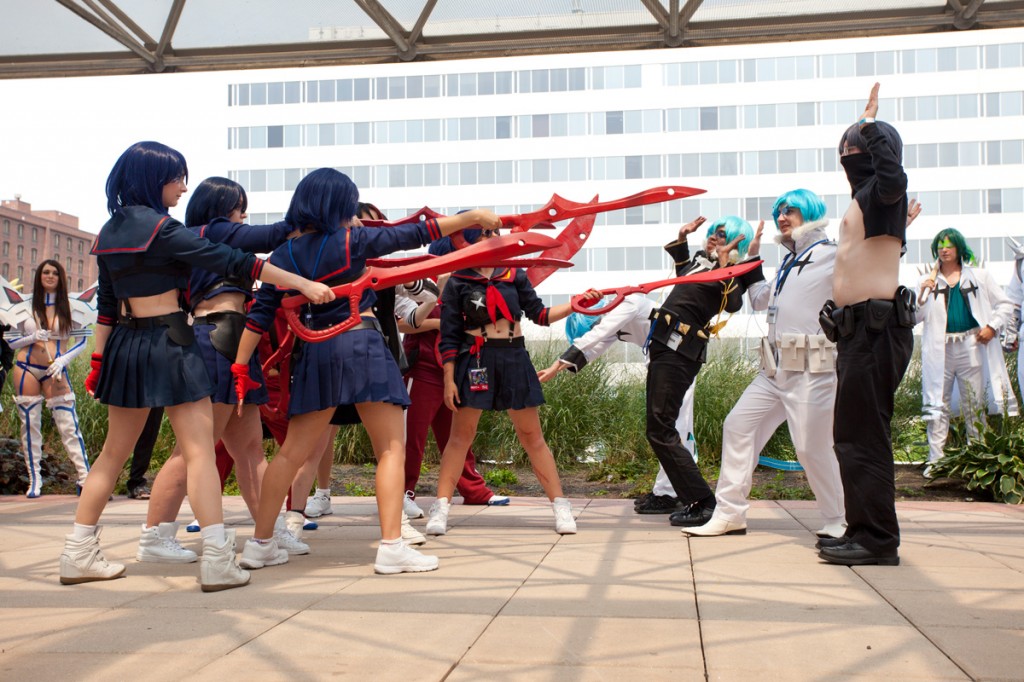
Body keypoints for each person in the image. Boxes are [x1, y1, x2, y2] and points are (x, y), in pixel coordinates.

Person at [60, 141, 332, 591]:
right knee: (200, 452)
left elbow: (107, 309)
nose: (183, 187)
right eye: (176, 178)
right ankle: (218, 560)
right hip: (170, 342)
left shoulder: (108, 233)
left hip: (125, 346)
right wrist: (303, 281)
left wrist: (97, 361)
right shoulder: (163, 229)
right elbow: (240, 263)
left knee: (111, 455)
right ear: (153, 179)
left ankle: (77, 551)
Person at [233, 167, 501, 574]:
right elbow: (416, 233)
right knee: (390, 448)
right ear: (340, 204)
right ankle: (392, 546)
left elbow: (258, 317)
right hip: (361, 345)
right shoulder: (349, 240)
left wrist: (240, 366)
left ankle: (259, 544)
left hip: (315, 353)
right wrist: (471, 218)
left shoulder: (282, 256)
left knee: (289, 454)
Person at [139, 176, 303, 563]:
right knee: (193, 450)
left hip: (220, 337)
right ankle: (154, 536)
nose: (243, 216)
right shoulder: (213, 230)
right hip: (220, 338)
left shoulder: (193, 236)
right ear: (222, 207)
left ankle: (270, 532)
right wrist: (312, 210)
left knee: (248, 449)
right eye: (239, 207)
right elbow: (277, 233)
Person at [680, 190, 846, 538]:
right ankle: (730, 513)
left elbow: (866, 271)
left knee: (811, 446)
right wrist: (750, 261)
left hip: (811, 365)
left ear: (812, 212)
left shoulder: (833, 254)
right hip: (773, 367)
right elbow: (758, 300)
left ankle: (839, 519)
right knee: (738, 425)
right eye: (778, 212)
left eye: (790, 210)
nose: (782, 217)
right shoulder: (787, 262)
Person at [426, 228, 597, 536]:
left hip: (514, 357)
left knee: (532, 436)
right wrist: (449, 379)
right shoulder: (459, 281)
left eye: (496, 232)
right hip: (475, 359)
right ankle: (441, 508)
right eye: (486, 233)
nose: (495, 236)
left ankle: (560, 505)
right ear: (470, 240)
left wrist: (576, 304)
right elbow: (449, 336)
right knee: (460, 437)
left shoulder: (513, 274)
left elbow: (541, 315)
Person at [817, 84, 915, 567]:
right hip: (856, 332)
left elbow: (893, 178)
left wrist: (872, 124)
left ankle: (878, 541)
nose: (848, 151)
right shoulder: (866, 202)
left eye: (856, 145)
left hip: (876, 333)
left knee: (863, 437)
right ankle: (862, 530)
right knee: (849, 436)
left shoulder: (883, 190)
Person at [639, 216, 765, 531]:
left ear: (736, 242)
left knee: (660, 427)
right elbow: (683, 272)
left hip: (680, 350)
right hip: (662, 345)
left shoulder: (733, 271)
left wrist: (725, 264)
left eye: (723, 235)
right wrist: (682, 236)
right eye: (713, 233)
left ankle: (702, 502)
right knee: (658, 427)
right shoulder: (699, 263)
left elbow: (734, 304)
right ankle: (695, 499)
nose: (714, 238)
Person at [537, 294, 698, 515]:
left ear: (597, 316)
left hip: (678, 358)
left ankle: (675, 494)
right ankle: (666, 492)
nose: (597, 328)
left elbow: (599, 334)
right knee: (668, 429)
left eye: (595, 325)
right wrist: (559, 368)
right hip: (665, 359)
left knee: (674, 428)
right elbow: (595, 346)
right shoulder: (611, 320)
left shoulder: (628, 303)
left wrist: (556, 365)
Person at [399, 237, 510, 520]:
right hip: (422, 366)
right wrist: (444, 322)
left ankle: (473, 490)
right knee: (412, 436)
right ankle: (402, 493)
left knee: (458, 435)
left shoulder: (470, 285)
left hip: (455, 368)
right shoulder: (419, 280)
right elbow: (403, 322)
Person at [917, 227, 1016, 478]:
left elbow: (1005, 304)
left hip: (971, 345)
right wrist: (921, 293)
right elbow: (914, 317)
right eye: (940, 245)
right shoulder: (928, 281)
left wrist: (992, 327)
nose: (944, 249)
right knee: (936, 404)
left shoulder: (979, 276)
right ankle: (935, 460)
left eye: (949, 244)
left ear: (959, 247)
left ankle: (978, 457)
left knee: (974, 403)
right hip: (939, 349)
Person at [9, 260, 91, 498]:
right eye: (46, 272)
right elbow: (11, 342)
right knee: (30, 425)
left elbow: (83, 341)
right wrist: (31, 336)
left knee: (68, 424)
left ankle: (85, 478)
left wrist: (63, 360)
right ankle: (35, 481)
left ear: (61, 277)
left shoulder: (71, 307)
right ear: (39, 275)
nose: (50, 276)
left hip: (56, 370)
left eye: (55, 272)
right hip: (26, 368)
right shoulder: (25, 306)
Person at [125, 407, 162, 499]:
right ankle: (103, 484)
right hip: (127, 394)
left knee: (149, 432)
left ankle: (137, 483)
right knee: (117, 441)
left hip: (158, 395)